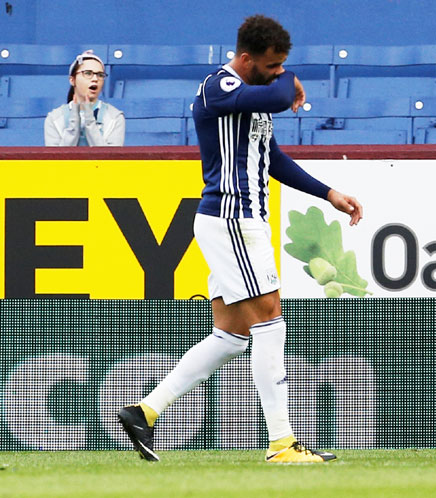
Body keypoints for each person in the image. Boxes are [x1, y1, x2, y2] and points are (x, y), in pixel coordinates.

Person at [117, 15, 362, 464]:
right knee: (271, 320)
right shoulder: (219, 87)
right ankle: (282, 444)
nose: (277, 72)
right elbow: (279, 92)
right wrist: (289, 80)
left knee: (230, 335)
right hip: (231, 217)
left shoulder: (255, 97)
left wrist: (328, 194)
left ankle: (144, 411)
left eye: (282, 66)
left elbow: (273, 158)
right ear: (246, 59)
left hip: (239, 221)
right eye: (271, 65)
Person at [44, 50, 125, 146]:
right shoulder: (54, 118)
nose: (95, 79)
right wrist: (74, 123)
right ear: (72, 80)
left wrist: (89, 120)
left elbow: (110, 158)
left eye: (100, 75)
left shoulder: (115, 117)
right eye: (88, 73)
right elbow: (56, 159)